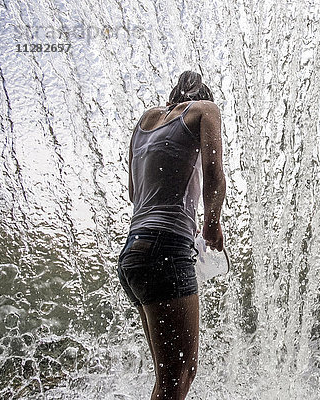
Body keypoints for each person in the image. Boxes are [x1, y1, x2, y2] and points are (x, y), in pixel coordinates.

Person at [117, 70, 226, 400]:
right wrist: (211, 224)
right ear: (201, 97)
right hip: (167, 251)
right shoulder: (206, 110)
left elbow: (134, 193)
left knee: (168, 377)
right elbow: (214, 173)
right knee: (179, 375)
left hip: (134, 254)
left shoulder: (145, 121)